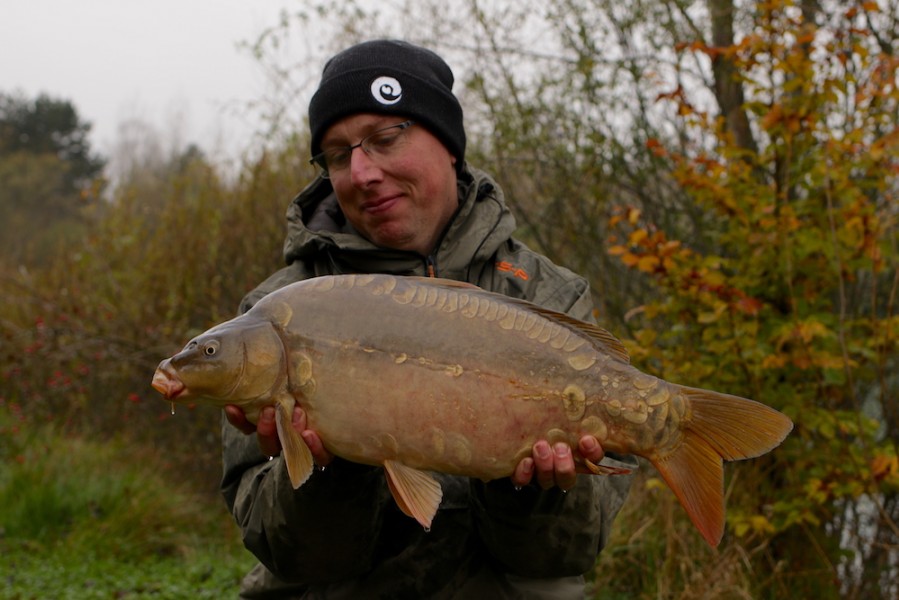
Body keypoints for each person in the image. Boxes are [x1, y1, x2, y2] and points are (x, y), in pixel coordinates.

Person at [221, 39, 634, 599]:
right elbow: (286, 553)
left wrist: (533, 486)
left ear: (448, 145)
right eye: (339, 156)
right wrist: (333, 464)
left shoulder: (547, 293)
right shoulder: (276, 316)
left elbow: (567, 554)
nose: (362, 172)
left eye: (385, 139)